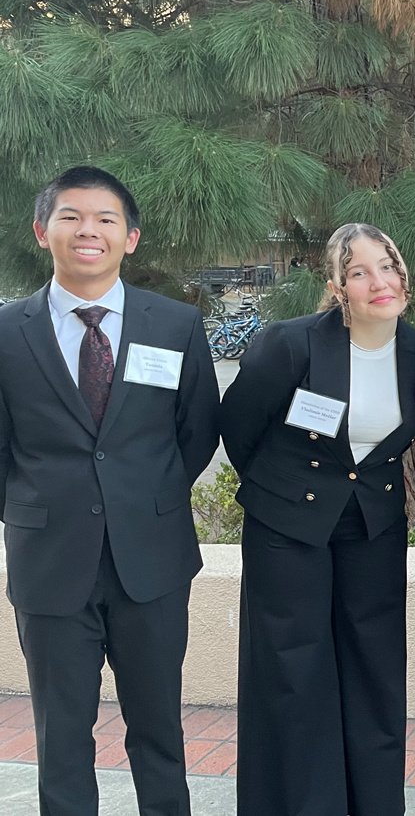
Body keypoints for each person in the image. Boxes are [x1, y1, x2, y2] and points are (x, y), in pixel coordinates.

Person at [0, 166, 219, 815]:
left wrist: (143, 499)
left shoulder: (175, 324)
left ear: (131, 238)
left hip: (151, 563)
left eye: (105, 219)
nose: (87, 229)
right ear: (44, 231)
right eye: (71, 216)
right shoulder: (8, 333)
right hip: (50, 565)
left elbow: (197, 430)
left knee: (158, 734)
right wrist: (38, 508)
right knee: (61, 738)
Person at [223, 223, 415, 815]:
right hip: (288, 528)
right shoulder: (290, 344)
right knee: (294, 670)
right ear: (338, 286)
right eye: (359, 271)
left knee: (376, 669)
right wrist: (286, 494)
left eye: (388, 266)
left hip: (372, 526)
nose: (378, 282)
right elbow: (240, 428)